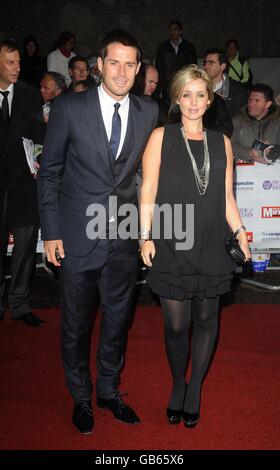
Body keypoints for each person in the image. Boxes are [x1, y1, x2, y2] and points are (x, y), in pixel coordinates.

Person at [37, 30, 158, 434]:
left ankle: (108, 390)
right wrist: (50, 232)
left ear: (138, 69)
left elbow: (146, 176)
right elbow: (49, 173)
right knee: (75, 322)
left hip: (122, 238)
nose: (122, 72)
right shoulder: (69, 108)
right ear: (100, 65)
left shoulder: (148, 111)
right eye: (114, 62)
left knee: (117, 320)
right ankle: (81, 396)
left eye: (130, 64)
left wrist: (146, 232)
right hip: (75, 235)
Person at [140, 65, 250, 428]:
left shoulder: (223, 142)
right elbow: (148, 192)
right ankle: (176, 382)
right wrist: (145, 236)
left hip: (210, 243)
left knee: (206, 320)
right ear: (176, 98)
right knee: (175, 327)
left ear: (210, 98)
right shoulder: (161, 136)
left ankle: (194, 388)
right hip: (172, 240)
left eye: (200, 94)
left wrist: (240, 231)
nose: (193, 101)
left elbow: (227, 198)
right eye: (186, 94)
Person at [0, 39, 45, 326]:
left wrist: (41, 159)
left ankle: (19, 303)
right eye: (11, 62)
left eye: (18, 62)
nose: (18, 67)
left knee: (26, 247)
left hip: (24, 184)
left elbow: (40, 135)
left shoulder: (30, 94)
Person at [232, 83, 280, 164]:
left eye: (257, 100)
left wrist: (273, 150)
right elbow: (227, 145)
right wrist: (248, 153)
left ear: (268, 104)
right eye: (250, 99)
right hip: (244, 173)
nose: (251, 103)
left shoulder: (278, 122)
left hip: (273, 173)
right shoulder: (237, 121)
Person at [156, 20, 197, 103]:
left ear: (180, 31)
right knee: (168, 109)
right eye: (170, 29)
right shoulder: (163, 47)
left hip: (184, 84)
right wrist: (161, 86)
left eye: (175, 29)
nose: (172, 32)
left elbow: (193, 66)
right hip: (168, 86)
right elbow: (159, 67)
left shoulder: (188, 47)